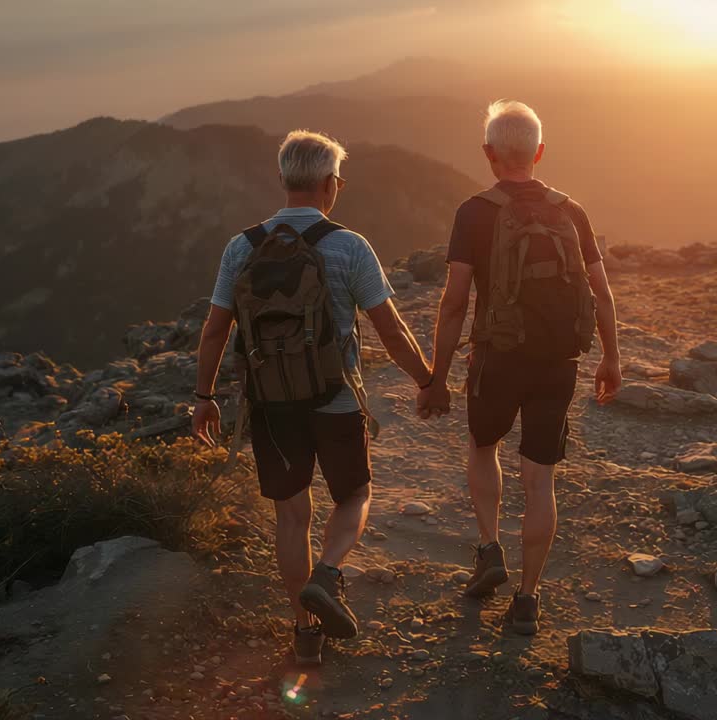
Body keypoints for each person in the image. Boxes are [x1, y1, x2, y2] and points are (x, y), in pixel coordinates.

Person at [192, 130, 433, 666]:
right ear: (332, 185)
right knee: (354, 497)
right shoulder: (349, 246)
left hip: (271, 402)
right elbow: (390, 327)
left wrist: (204, 396)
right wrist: (427, 379)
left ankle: (304, 633)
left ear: (282, 180)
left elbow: (214, 331)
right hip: (336, 397)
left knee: (290, 516)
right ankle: (328, 574)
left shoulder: (242, 246)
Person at [418, 101, 622, 635]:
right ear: (539, 152)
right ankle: (529, 599)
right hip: (559, 361)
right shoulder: (571, 210)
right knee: (541, 479)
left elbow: (455, 301)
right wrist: (612, 357)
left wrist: (437, 377)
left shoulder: (474, 212)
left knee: (482, 447)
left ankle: (490, 548)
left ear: (489, 155)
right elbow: (601, 294)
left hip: (497, 357)